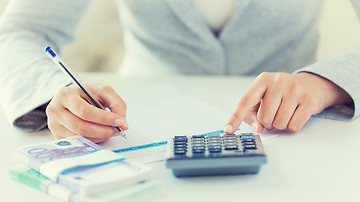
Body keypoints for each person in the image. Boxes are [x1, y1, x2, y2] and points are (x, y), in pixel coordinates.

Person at [0, 0, 358, 143]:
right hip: (137, 129)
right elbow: (19, 31)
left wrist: (325, 84)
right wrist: (54, 94)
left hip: (300, 135)